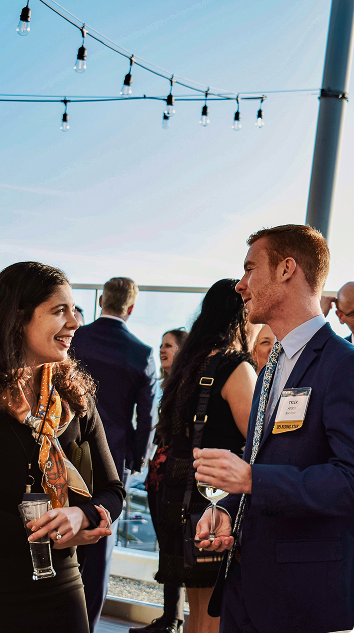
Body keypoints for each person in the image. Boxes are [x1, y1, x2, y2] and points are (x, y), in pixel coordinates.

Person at [0, 261, 125, 633]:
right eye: (59, 310)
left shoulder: (73, 397)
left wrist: (83, 516)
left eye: (74, 309)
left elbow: (113, 491)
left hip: (61, 585)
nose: (75, 321)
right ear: (17, 318)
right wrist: (50, 531)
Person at [194, 224, 354, 633]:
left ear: (286, 269)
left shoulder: (344, 365)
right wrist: (229, 511)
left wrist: (250, 479)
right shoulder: (270, 368)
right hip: (245, 589)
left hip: (302, 598)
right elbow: (261, 457)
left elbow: (349, 480)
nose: (240, 285)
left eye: (250, 269)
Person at [153, 280, 257, 633]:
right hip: (215, 500)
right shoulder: (235, 367)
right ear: (241, 316)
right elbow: (256, 440)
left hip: (179, 491)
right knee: (216, 611)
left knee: (198, 607)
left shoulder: (188, 364)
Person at [71, 277, 157, 632]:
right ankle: (87, 625)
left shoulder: (75, 337)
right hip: (113, 459)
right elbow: (147, 417)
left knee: (60, 533)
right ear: (132, 308)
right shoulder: (141, 353)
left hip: (64, 451)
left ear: (102, 299)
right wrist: (135, 459)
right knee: (100, 549)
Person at [131, 329, 189, 633]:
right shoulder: (168, 385)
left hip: (173, 479)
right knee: (166, 547)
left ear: (182, 351)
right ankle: (171, 617)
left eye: (168, 346)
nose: (162, 350)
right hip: (158, 477)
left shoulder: (185, 386)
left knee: (173, 547)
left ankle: (172, 620)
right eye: (161, 345)